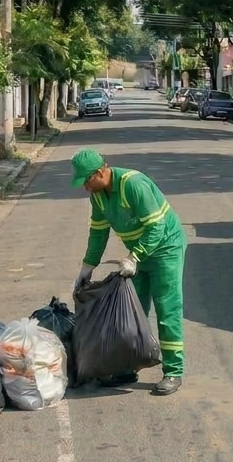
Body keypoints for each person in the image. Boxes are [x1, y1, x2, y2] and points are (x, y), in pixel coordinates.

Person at [70, 148, 187, 396]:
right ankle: (127, 367)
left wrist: (134, 256)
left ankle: (173, 371)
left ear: (101, 172)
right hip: (138, 255)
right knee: (133, 312)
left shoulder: (133, 184)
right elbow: (98, 233)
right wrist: (87, 267)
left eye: (87, 181)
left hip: (166, 249)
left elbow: (156, 228)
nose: (86, 188)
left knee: (167, 309)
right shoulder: (98, 197)